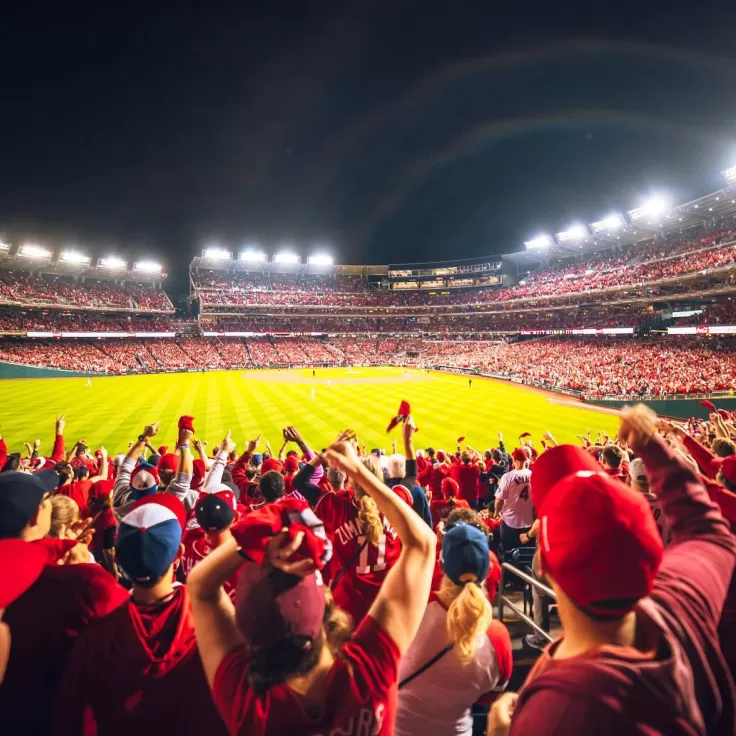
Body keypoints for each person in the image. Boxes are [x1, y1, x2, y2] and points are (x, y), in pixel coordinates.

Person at [489, 404, 736, 735]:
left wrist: (502, 732)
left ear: (545, 565)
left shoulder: (554, 714)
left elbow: (704, 527)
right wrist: (654, 448)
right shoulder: (683, 598)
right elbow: (708, 530)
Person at [187, 435, 437, 735]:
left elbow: (201, 588)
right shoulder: (368, 672)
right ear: (323, 606)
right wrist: (358, 470)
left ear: (250, 632)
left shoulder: (249, 705)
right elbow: (423, 544)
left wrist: (269, 522)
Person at [53, 494, 228, 735]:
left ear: (121, 557)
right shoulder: (212, 625)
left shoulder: (95, 635)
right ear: (179, 554)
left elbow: (73, 718)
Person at [0, 470, 128, 734]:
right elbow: (125, 623)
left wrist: (59, 546)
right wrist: (89, 570)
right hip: (56, 719)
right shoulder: (80, 583)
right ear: (37, 516)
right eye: (47, 498)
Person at [396, 522, 512, 736]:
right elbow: (488, 697)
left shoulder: (412, 611)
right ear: (487, 571)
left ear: (441, 566)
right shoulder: (498, 639)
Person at [315, 441, 404, 626]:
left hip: (347, 609)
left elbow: (301, 482)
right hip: (387, 606)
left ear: (351, 481)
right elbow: (410, 477)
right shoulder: (397, 505)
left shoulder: (339, 507)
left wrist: (324, 454)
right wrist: (407, 444)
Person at [493, 448, 534, 552]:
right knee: (525, 554)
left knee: (508, 553)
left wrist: (496, 513)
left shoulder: (508, 477)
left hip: (510, 522)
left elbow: (499, 501)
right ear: (526, 460)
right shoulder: (533, 475)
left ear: (515, 460)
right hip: (528, 522)